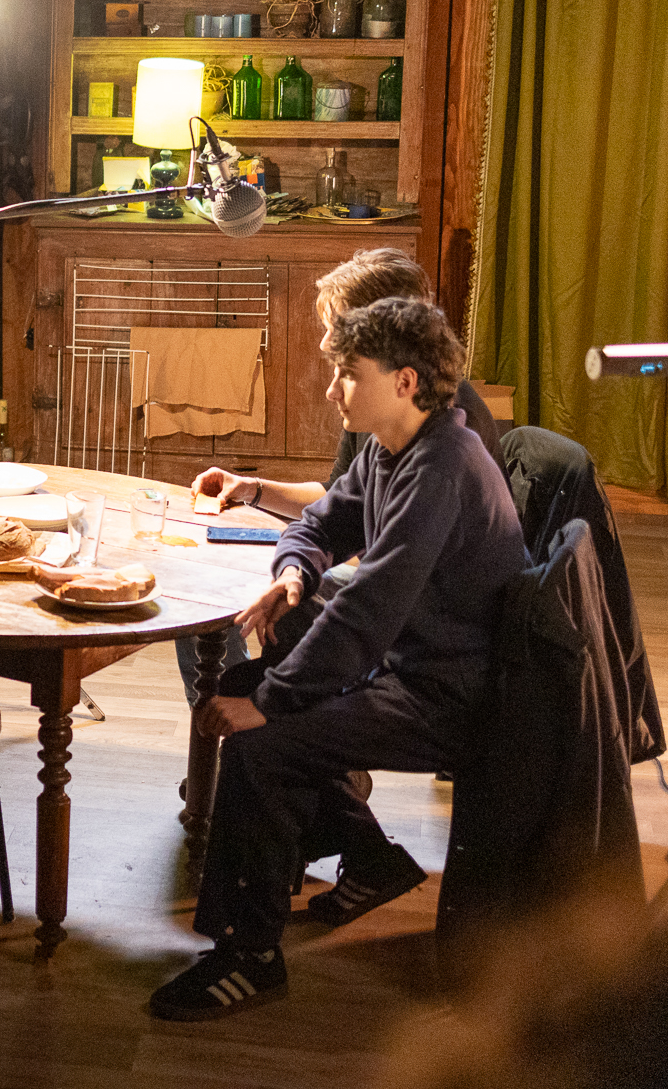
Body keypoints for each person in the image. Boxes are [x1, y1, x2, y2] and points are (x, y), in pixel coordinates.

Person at [148, 297, 527, 1021]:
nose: (332, 390)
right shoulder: (395, 447)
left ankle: (250, 956)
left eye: (348, 373)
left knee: (262, 739)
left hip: (449, 695)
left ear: (405, 381)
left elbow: (367, 614)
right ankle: (370, 856)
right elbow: (322, 522)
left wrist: (270, 705)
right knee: (245, 681)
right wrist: (294, 574)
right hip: (413, 668)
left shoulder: (440, 468)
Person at [176, 247, 504, 705]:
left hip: (429, 642)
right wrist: (254, 493)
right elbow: (336, 501)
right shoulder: (381, 418)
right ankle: (243, 705)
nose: (326, 342)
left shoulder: (436, 433)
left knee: (236, 594)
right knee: (255, 586)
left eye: (338, 325)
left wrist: (270, 702)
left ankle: (263, 707)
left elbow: (377, 598)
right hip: (393, 593)